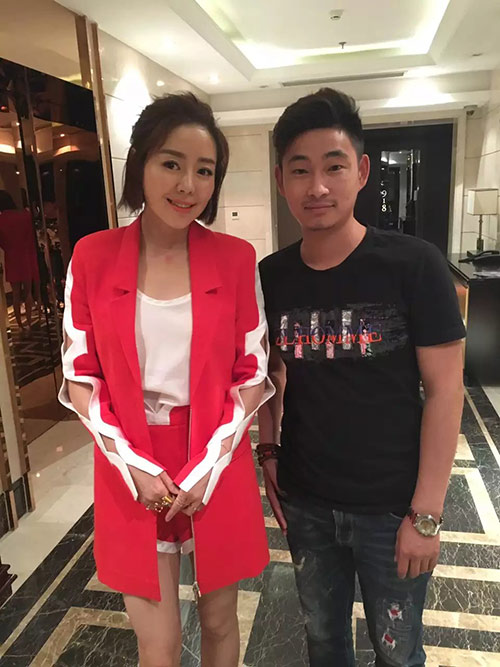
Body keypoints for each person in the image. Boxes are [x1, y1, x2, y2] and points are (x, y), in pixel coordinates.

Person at [59, 92, 274, 667]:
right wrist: (132, 464)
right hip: (130, 460)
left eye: (204, 170)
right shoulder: (92, 256)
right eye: (171, 163)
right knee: (158, 643)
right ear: (140, 164)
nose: (187, 185)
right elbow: (80, 375)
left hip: (214, 454)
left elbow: (251, 373)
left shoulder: (235, 259)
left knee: (220, 622)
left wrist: (208, 466)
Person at [258, 88, 465, 667]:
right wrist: (268, 450)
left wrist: (426, 515)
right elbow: (267, 374)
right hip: (307, 502)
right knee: (324, 646)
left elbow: (446, 391)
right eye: (300, 170)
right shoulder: (270, 277)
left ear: (362, 172)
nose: (317, 186)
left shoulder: (414, 264)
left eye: (334, 166)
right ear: (281, 181)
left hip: (392, 506)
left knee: (398, 654)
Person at [0, 190, 40, 335]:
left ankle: (20, 326)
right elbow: (31, 236)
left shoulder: (1, 219)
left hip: (11, 257)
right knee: (28, 292)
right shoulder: (24, 215)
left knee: (16, 294)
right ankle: (29, 322)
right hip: (25, 255)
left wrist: (9, 248)